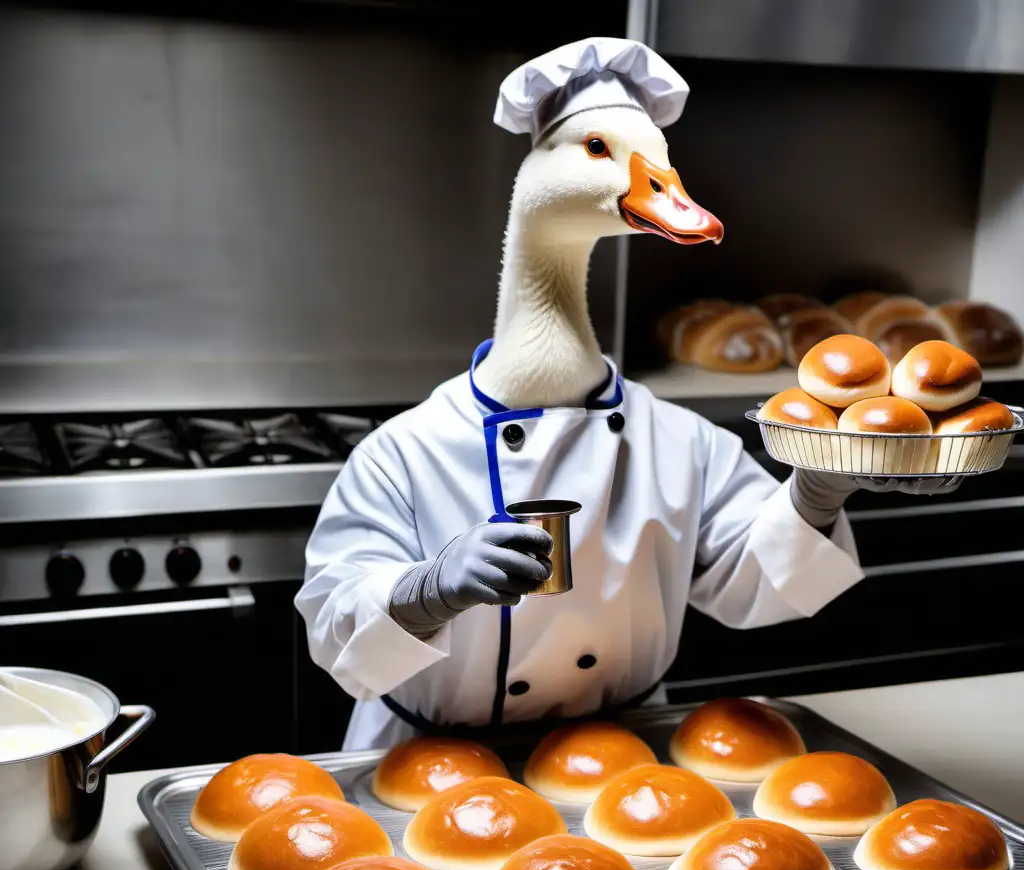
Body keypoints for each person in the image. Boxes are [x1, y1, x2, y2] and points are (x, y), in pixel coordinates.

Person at [296, 38, 952, 751]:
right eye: (603, 149)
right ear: (538, 175)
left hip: (624, 762)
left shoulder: (680, 441)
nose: (658, 184)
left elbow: (762, 590)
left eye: (660, 167)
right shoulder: (403, 452)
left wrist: (813, 496)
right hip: (424, 765)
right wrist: (423, 594)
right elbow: (340, 641)